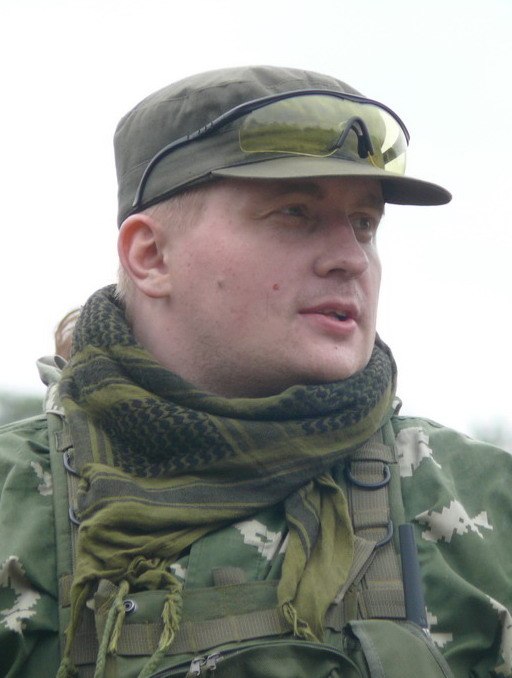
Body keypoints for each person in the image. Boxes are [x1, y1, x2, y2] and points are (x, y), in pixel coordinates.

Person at [0, 65, 511, 678]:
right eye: (294, 213)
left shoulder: (486, 502)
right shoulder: (14, 503)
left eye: (365, 224)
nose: (351, 258)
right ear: (151, 256)